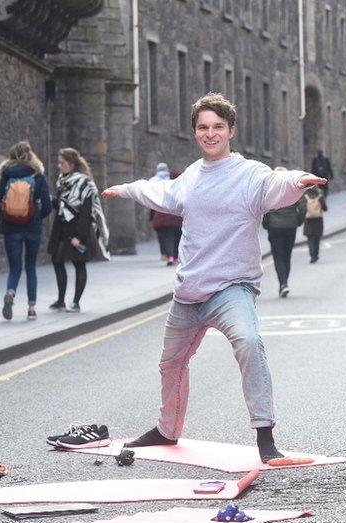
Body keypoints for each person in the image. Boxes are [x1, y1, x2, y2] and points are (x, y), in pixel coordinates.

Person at [101, 93, 327, 462]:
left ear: (231, 130)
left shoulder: (249, 174)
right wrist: (125, 189)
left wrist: (300, 180)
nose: (210, 134)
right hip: (188, 292)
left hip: (231, 289)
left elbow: (277, 185)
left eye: (218, 127)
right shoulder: (190, 176)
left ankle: (265, 439)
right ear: (195, 133)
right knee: (170, 363)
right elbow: (160, 192)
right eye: (203, 127)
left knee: (250, 344)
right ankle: (167, 430)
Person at [47, 148, 110, 313]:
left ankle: (76, 302)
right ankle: (61, 300)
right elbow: (63, 205)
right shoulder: (62, 181)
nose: (59, 166)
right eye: (59, 163)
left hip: (77, 229)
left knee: (79, 264)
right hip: (61, 228)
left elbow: (86, 211)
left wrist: (79, 236)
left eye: (62, 163)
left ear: (71, 163)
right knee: (57, 260)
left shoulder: (85, 183)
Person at [0, 141, 53, 321]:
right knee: (30, 267)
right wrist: (35, 217)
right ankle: (31, 308)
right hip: (32, 228)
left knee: (15, 268)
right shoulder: (37, 175)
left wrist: (6, 216)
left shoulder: (7, 174)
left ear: (11, 156)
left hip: (11, 227)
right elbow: (48, 206)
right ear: (30, 155)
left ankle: (10, 293)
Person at [262, 167, 307, 297]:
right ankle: (284, 283)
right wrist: (298, 221)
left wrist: (266, 224)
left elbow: (265, 208)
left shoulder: (269, 190)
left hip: (274, 227)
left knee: (278, 257)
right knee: (287, 255)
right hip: (290, 227)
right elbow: (303, 208)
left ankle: (283, 284)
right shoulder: (294, 188)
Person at [149, 163, 183, 266]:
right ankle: (176, 257)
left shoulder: (154, 181)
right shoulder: (176, 180)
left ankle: (169, 256)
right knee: (177, 237)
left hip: (161, 213)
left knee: (166, 237)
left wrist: (151, 217)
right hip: (176, 215)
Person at [303, 186, 327, 263]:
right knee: (317, 239)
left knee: (310, 239)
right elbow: (325, 208)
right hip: (318, 221)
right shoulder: (320, 196)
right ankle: (315, 255)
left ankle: (312, 255)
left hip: (308, 221)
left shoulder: (305, 196)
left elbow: (302, 209)